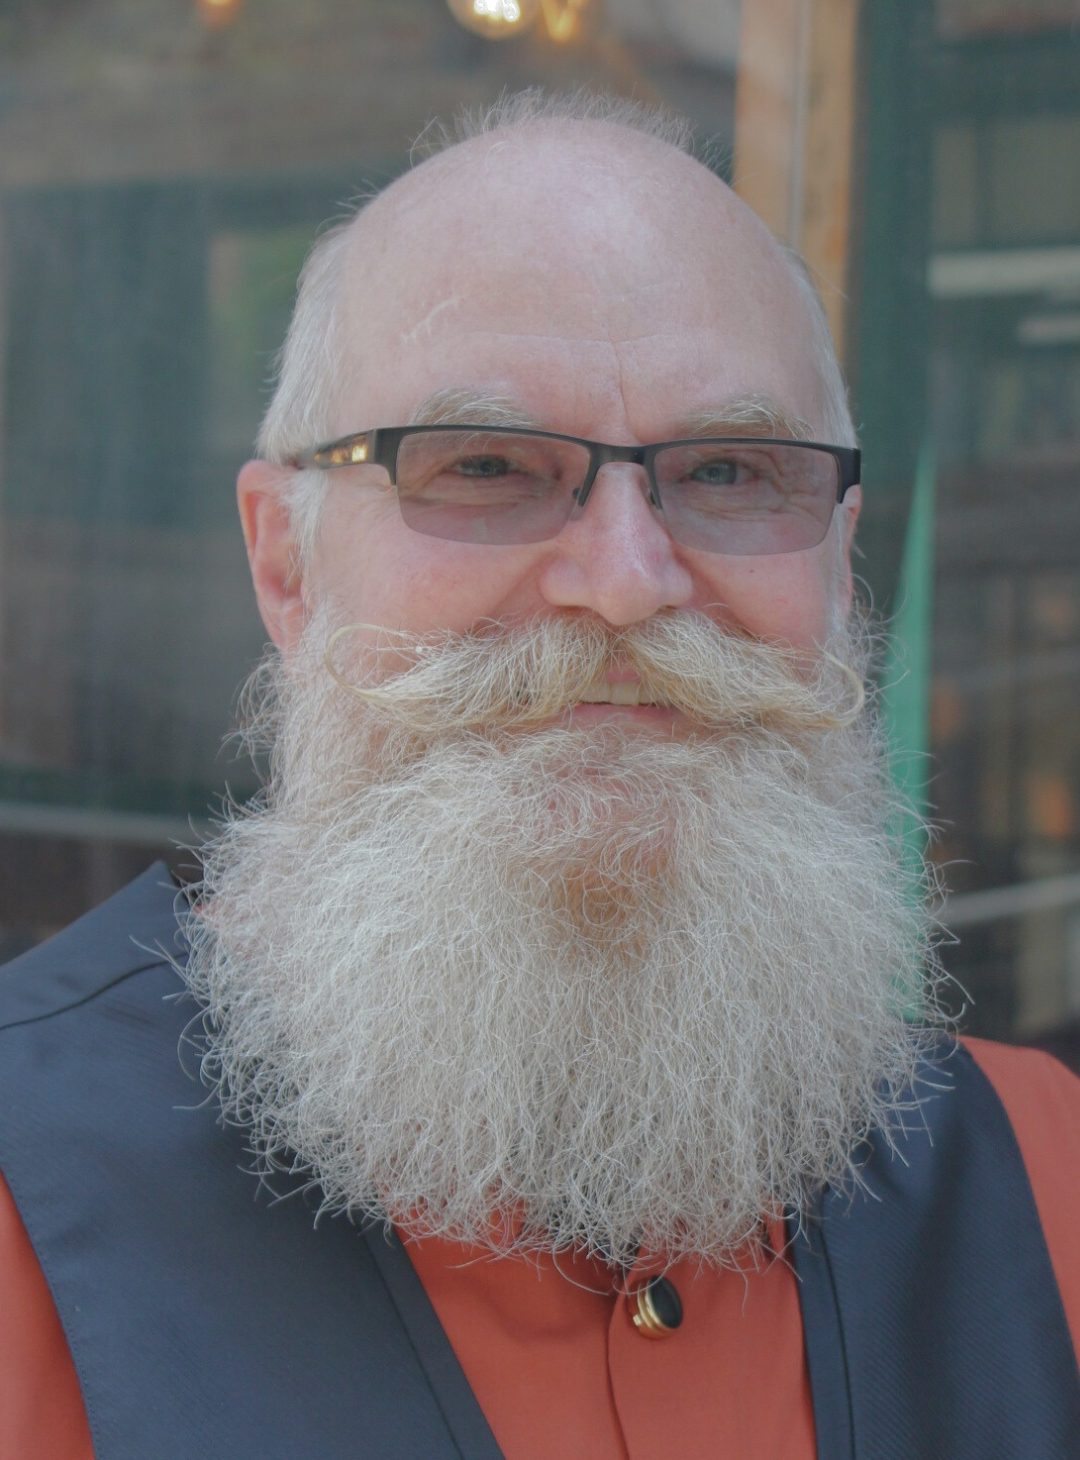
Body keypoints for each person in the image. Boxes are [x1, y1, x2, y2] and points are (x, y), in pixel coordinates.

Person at [1, 91, 1079, 1460]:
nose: (629, 586)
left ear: (840, 553)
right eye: (488, 466)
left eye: (735, 469)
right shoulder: (20, 1199)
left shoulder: (1046, 1180)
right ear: (284, 562)